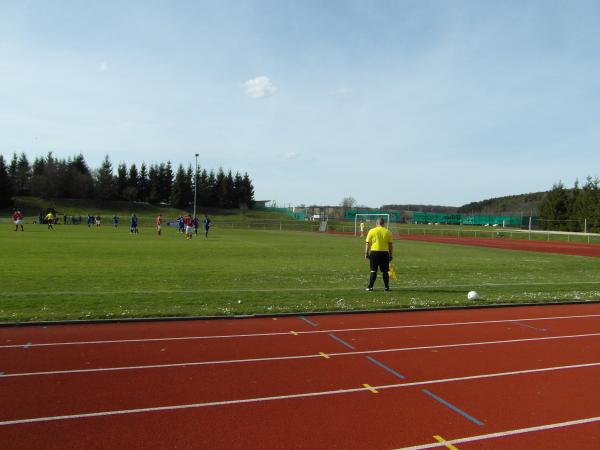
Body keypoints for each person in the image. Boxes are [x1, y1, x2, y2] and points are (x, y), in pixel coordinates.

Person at [364, 217, 393, 291]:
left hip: (374, 252)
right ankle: (386, 287)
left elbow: (367, 243)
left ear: (376, 223)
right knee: (385, 271)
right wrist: (390, 255)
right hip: (384, 253)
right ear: (383, 223)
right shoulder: (388, 231)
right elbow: (390, 245)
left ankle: (370, 287)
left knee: (373, 270)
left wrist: (366, 253)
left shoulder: (372, 231)